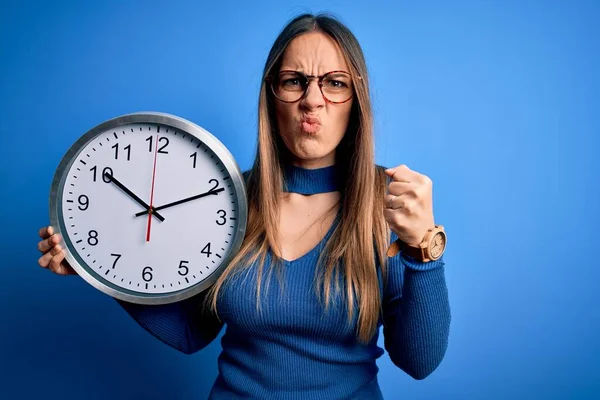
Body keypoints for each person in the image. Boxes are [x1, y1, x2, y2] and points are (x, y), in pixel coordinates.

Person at [37, 13, 451, 399]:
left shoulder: (391, 204)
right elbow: (190, 332)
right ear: (272, 95)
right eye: (294, 81)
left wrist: (424, 250)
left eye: (335, 83)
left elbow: (419, 362)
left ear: (356, 100)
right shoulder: (225, 199)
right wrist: (99, 269)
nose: (312, 100)